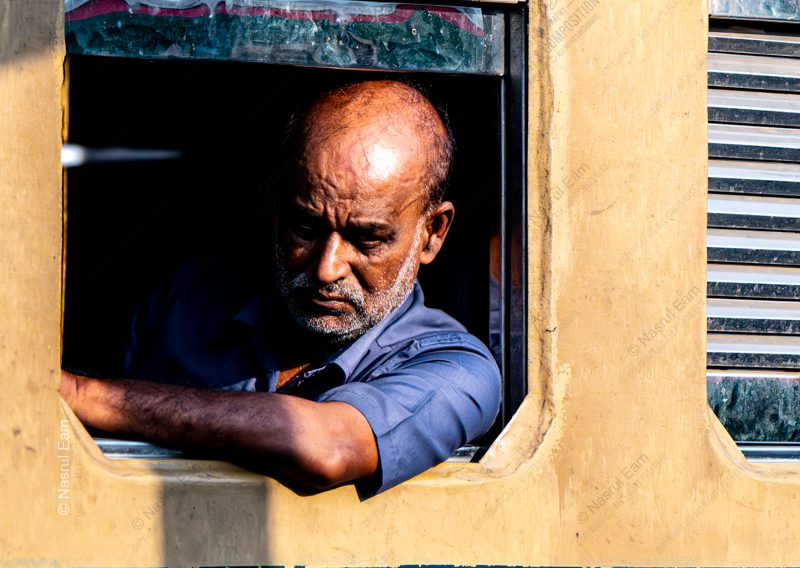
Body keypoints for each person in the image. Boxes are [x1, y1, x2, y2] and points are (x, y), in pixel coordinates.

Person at [60, 80, 501, 497]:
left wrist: (81, 396)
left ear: (432, 233)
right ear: (277, 205)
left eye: (368, 239)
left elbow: (328, 448)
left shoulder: (458, 369)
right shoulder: (189, 296)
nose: (327, 269)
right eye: (306, 226)